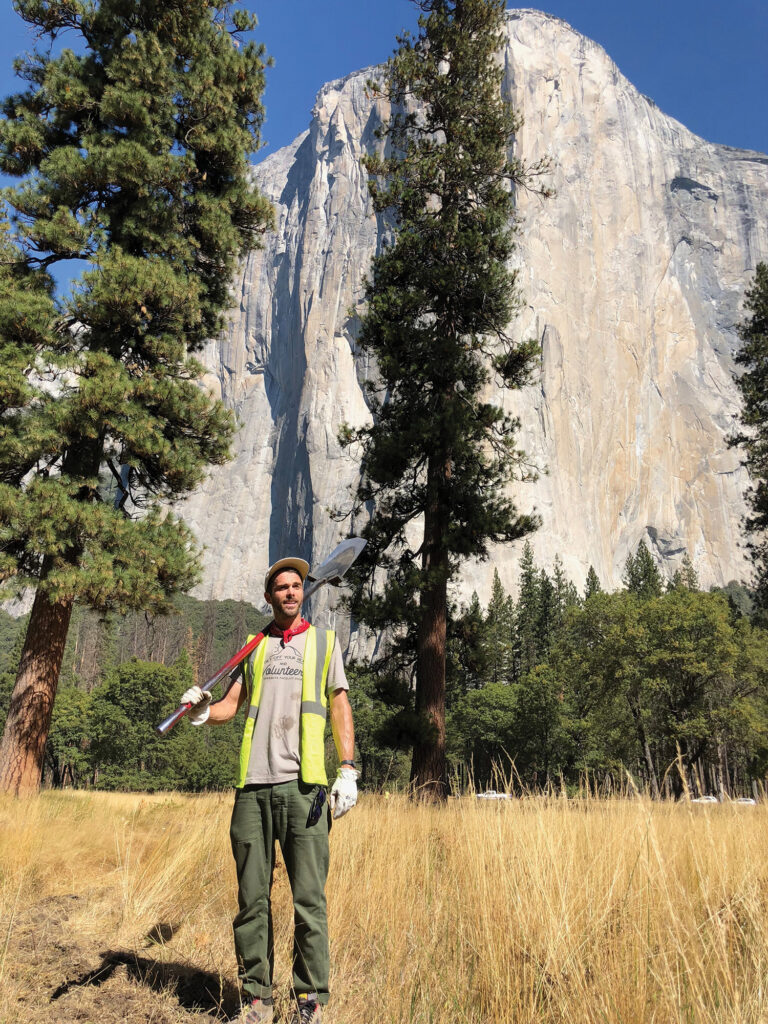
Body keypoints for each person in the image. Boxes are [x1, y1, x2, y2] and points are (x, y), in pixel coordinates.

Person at [180, 556, 358, 1024]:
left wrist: (348, 767)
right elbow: (230, 707)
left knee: (309, 902)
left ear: (304, 591)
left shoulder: (324, 643)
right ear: (269, 596)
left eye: (296, 585)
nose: (290, 592)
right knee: (251, 902)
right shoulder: (252, 647)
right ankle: (257, 1001)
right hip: (253, 790)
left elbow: (340, 705)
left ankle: (310, 1001)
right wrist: (202, 711)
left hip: (305, 790)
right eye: (280, 587)